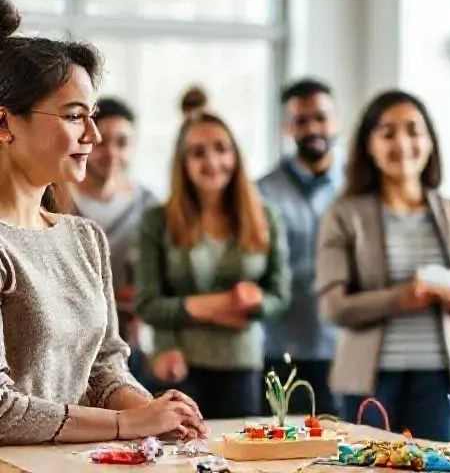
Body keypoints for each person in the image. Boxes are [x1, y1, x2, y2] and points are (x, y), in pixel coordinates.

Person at [0, 0, 204, 444]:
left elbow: (105, 369)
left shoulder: (85, 238)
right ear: (4, 124)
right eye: (75, 116)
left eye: (91, 116)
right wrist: (127, 424)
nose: (92, 136)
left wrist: (153, 410)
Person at [316, 89, 450, 442]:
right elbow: (333, 307)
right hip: (368, 380)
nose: (402, 143)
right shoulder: (343, 215)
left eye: (413, 130)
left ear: (430, 142)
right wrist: (400, 299)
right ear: (369, 144)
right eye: (387, 132)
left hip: (439, 378)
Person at [133, 112, 291, 419]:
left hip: (242, 365)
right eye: (198, 152)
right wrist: (221, 305)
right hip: (178, 364)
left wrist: (257, 300)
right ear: (183, 162)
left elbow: (280, 296)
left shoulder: (266, 216)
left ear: (236, 154)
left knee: (238, 461)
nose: (212, 161)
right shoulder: (157, 220)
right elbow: (146, 303)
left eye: (221, 148)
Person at [258, 78, 343, 418]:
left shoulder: (357, 189)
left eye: (320, 118)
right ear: (286, 127)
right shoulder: (261, 192)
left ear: (336, 121)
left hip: (343, 348)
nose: (312, 129)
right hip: (280, 348)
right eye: (301, 121)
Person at [69, 97, 161, 389]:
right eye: (102, 141)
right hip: (73, 336)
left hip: (128, 336)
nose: (111, 152)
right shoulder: (56, 197)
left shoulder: (148, 204)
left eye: (122, 143)